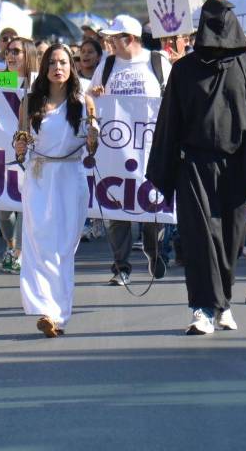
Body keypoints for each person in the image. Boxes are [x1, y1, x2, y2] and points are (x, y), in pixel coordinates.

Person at [147, 0, 246, 336]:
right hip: (194, 166)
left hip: (236, 166)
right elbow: (170, 121)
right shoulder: (184, 70)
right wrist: (167, 168)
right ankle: (201, 308)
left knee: (230, 239)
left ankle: (222, 302)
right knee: (199, 237)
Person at [12, 44, 99, 337]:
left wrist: (93, 137)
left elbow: (92, 146)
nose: (57, 68)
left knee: (64, 247)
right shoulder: (30, 102)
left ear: (71, 67)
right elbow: (21, 139)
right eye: (52, 63)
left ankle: (60, 314)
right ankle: (47, 311)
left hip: (70, 178)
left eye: (63, 62)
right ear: (44, 67)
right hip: (39, 177)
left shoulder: (83, 102)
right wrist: (20, 146)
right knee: (40, 243)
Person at [90, 14, 172, 286]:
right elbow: (89, 99)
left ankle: (154, 250)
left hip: (151, 149)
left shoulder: (157, 62)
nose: (110, 43)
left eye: (114, 38)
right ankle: (121, 266)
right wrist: (96, 96)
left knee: (152, 208)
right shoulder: (107, 64)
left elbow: (173, 98)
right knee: (117, 210)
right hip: (116, 150)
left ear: (131, 38)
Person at [0, 36, 38, 272]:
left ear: (28, 55)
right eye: (8, 51)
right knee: (3, 208)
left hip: (31, 151)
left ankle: (20, 253)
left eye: (16, 51)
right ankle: (10, 245)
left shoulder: (39, 83)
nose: (10, 55)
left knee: (25, 203)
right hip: (1, 151)